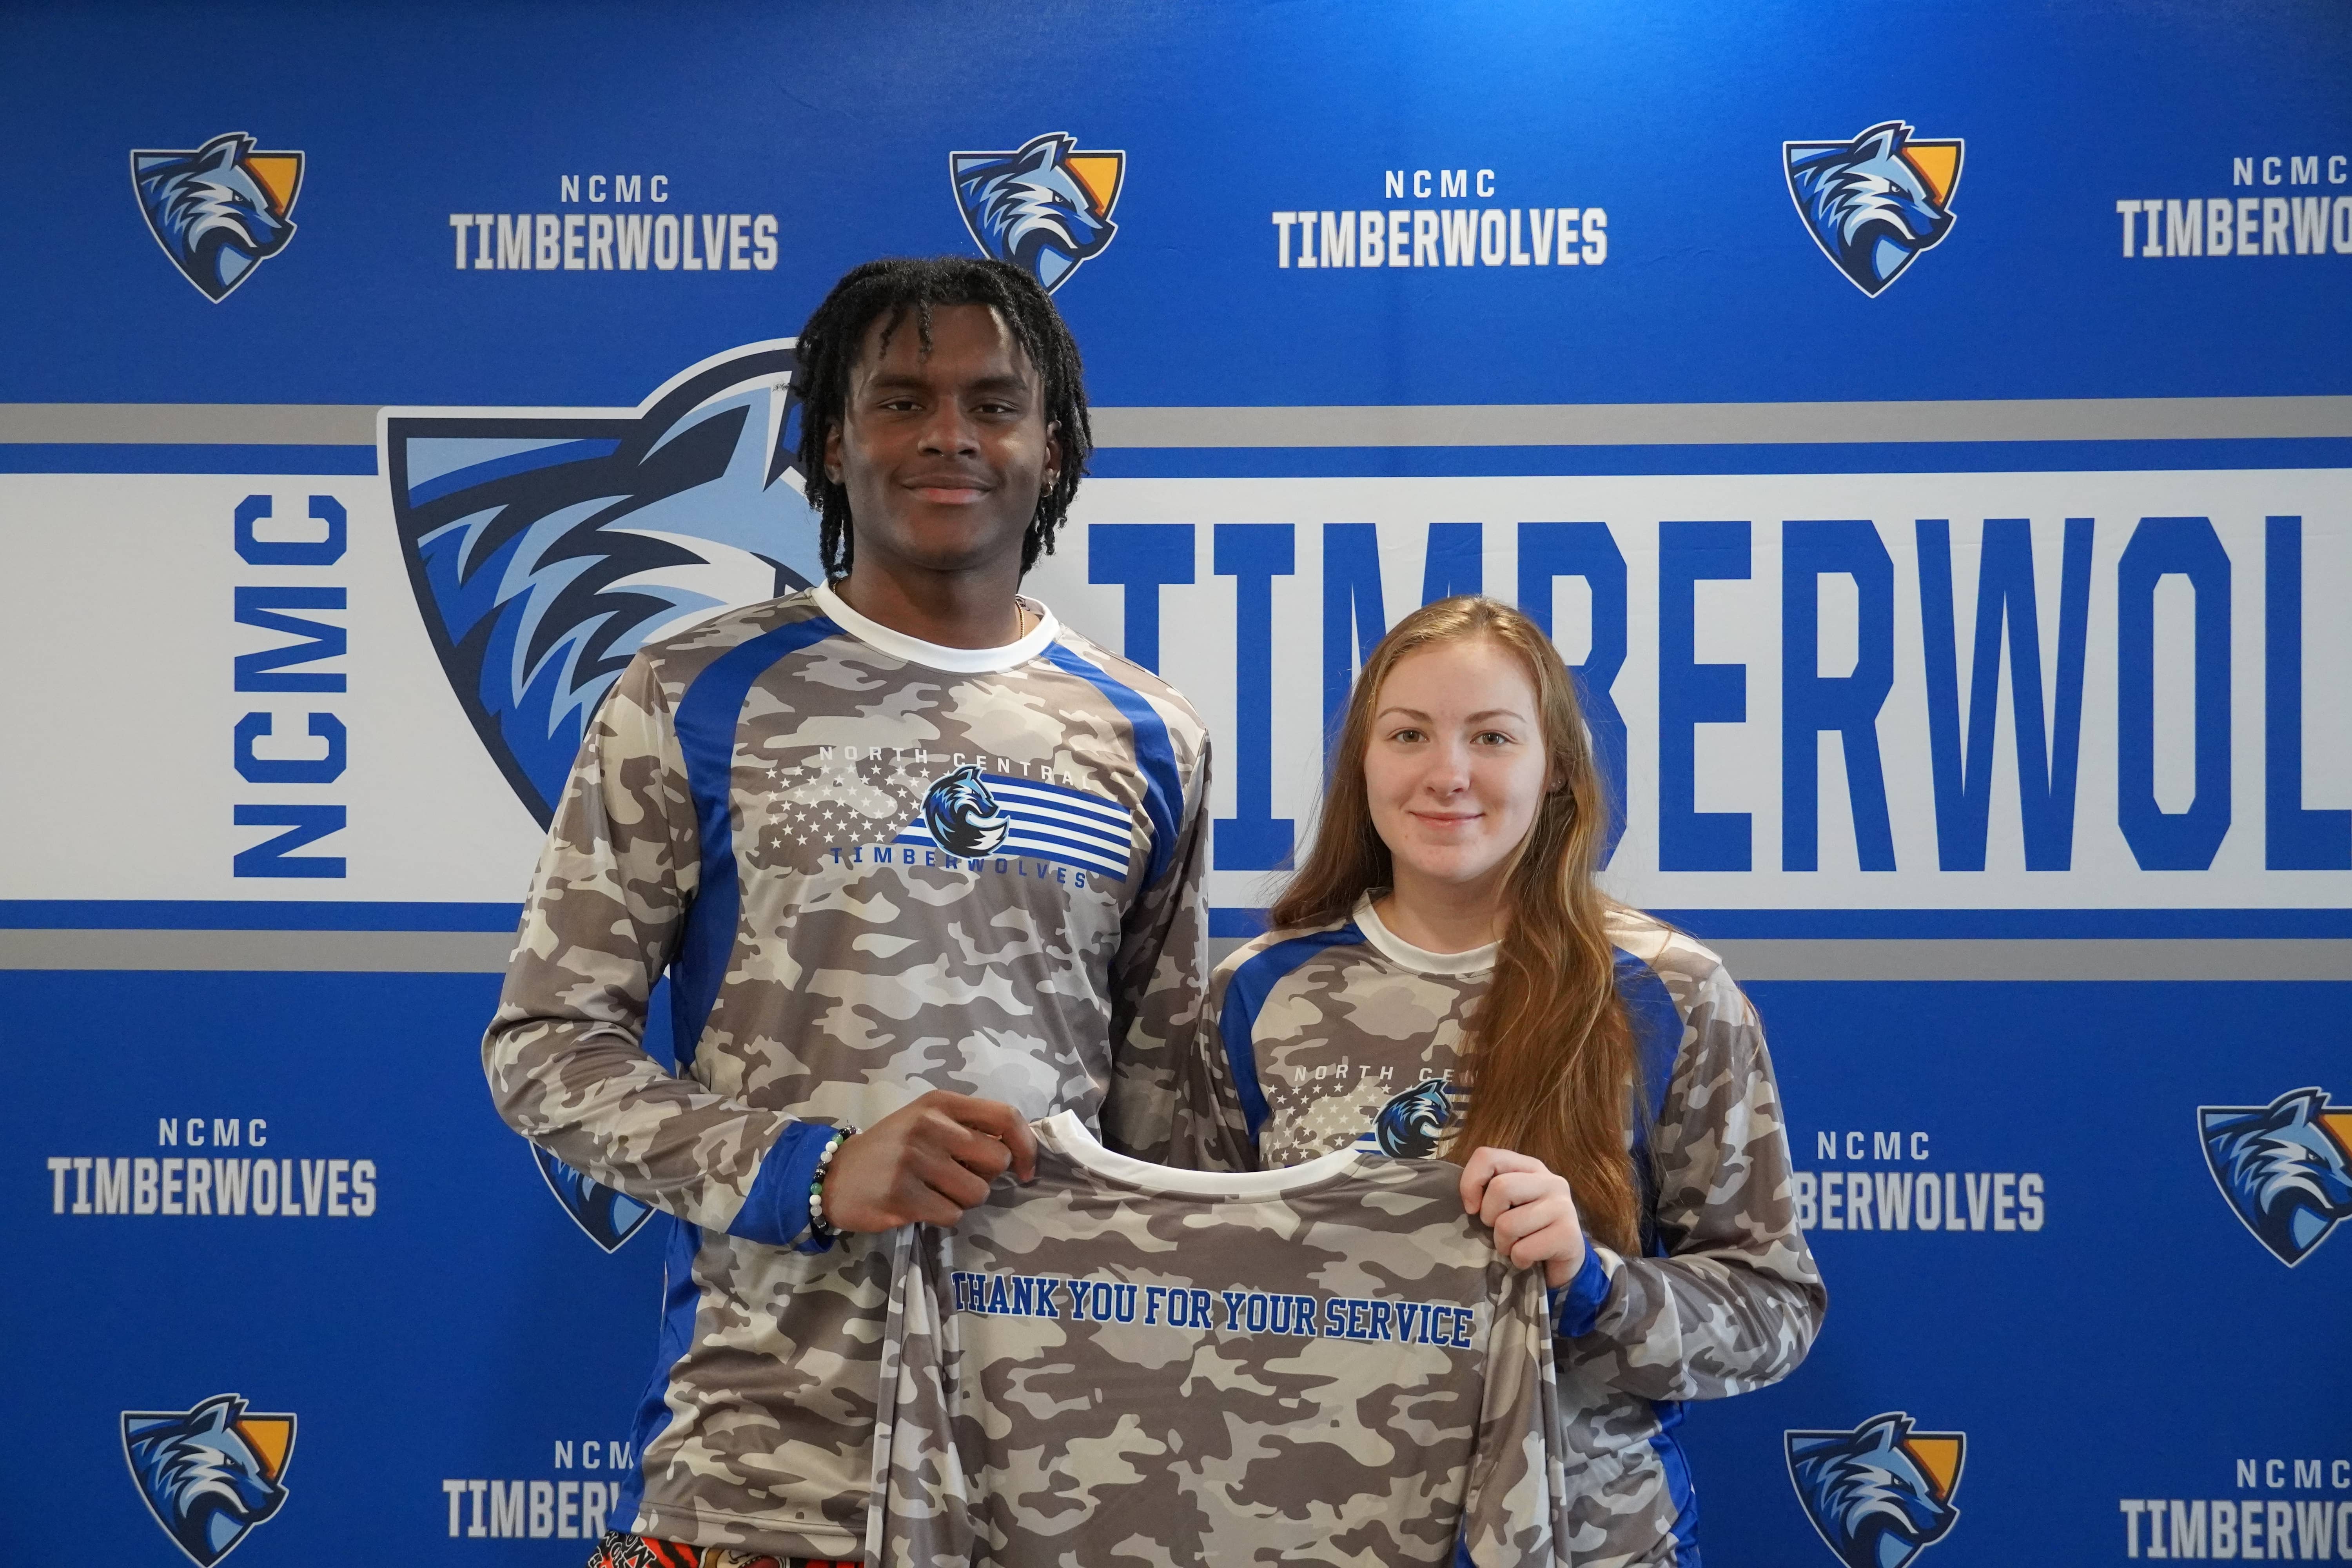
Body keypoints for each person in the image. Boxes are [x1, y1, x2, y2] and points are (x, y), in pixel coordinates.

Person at [483, 256, 1212, 1568]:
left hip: (1062, 1477)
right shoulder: (691, 694)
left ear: (1053, 451)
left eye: (995, 405)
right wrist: (809, 1172)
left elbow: (1172, 1131)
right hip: (763, 1464)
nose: (949, 436)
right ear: (829, 444)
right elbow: (544, 1049)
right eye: (901, 402)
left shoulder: (1149, 737)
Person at [1179, 594, 1823, 1568]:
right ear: (1364, 761)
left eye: (1492, 736)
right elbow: (1181, 1287)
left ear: (1556, 766)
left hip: (1588, 1541)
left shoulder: (1668, 992)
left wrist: (1592, 1283)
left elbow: (1772, 1307)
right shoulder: (1259, 991)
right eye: (1409, 734)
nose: (1449, 773)